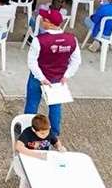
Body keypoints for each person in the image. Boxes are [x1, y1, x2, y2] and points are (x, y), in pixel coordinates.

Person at [24, 8, 80, 137]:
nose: (42, 21)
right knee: (55, 106)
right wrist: (66, 76)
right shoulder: (72, 39)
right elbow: (76, 61)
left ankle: (28, 129)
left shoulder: (39, 40)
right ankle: (53, 133)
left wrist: (41, 78)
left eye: (44, 19)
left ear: (48, 23)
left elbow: (32, 62)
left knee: (32, 103)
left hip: (39, 77)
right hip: (58, 78)